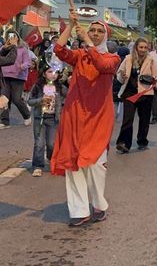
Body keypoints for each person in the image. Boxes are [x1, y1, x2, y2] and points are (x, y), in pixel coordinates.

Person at [50, 15, 121, 226]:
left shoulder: (113, 58)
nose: (96, 34)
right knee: (74, 162)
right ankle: (80, 211)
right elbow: (59, 50)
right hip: (75, 114)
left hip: (99, 116)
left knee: (96, 164)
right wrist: (71, 26)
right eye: (92, 30)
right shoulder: (80, 55)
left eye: (100, 31)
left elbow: (101, 65)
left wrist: (88, 44)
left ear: (105, 35)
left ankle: (99, 204)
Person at [115, 38, 157, 153]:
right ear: (136, 47)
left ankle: (142, 141)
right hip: (129, 94)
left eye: (145, 47)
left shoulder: (151, 60)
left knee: (144, 119)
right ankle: (124, 143)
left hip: (145, 94)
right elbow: (119, 74)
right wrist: (123, 76)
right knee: (127, 119)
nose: (143, 49)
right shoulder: (128, 59)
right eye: (141, 47)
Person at [28, 65, 66, 177]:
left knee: (51, 144)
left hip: (53, 119)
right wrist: (40, 100)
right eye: (50, 72)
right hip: (40, 119)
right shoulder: (38, 86)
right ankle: (37, 166)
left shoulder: (60, 87)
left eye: (55, 72)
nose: (53, 74)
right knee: (39, 143)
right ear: (44, 73)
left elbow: (70, 95)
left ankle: (51, 159)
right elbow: (29, 101)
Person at [0, 31, 32, 129]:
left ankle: (27, 115)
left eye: (14, 36)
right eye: (9, 36)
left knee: (16, 99)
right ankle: (5, 121)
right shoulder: (3, 48)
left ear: (18, 37)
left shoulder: (23, 49)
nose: (12, 38)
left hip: (18, 77)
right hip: (5, 76)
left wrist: (22, 66)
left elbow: (28, 62)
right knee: (4, 99)